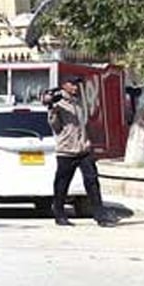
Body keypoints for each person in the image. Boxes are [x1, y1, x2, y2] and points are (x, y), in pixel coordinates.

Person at [42, 76, 118, 227]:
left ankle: (100, 215)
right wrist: (51, 108)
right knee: (62, 184)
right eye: (73, 84)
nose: (76, 87)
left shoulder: (78, 102)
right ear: (65, 85)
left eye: (77, 84)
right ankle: (59, 213)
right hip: (67, 150)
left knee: (92, 182)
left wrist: (90, 143)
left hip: (84, 148)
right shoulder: (58, 104)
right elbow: (55, 127)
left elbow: (85, 124)